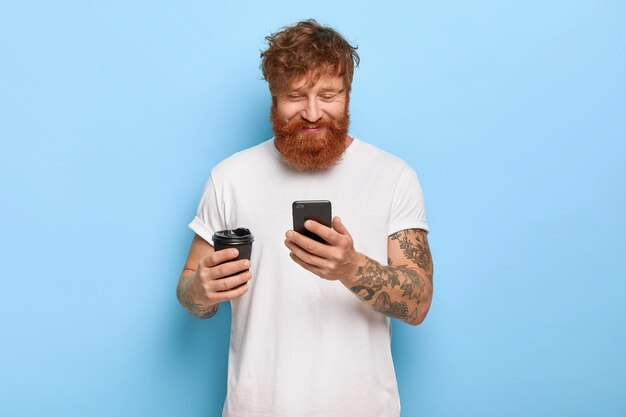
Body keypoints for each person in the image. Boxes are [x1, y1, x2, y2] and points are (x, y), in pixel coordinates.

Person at [176, 19, 433, 417]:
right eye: (295, 96)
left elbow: (418, 303)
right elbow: (190, 292)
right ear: (274, 97)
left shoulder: (393, 177)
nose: (312, 113)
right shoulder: (230, 178)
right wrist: (201, 291)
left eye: (328, 95)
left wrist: (351, 267)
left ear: (348, 93)